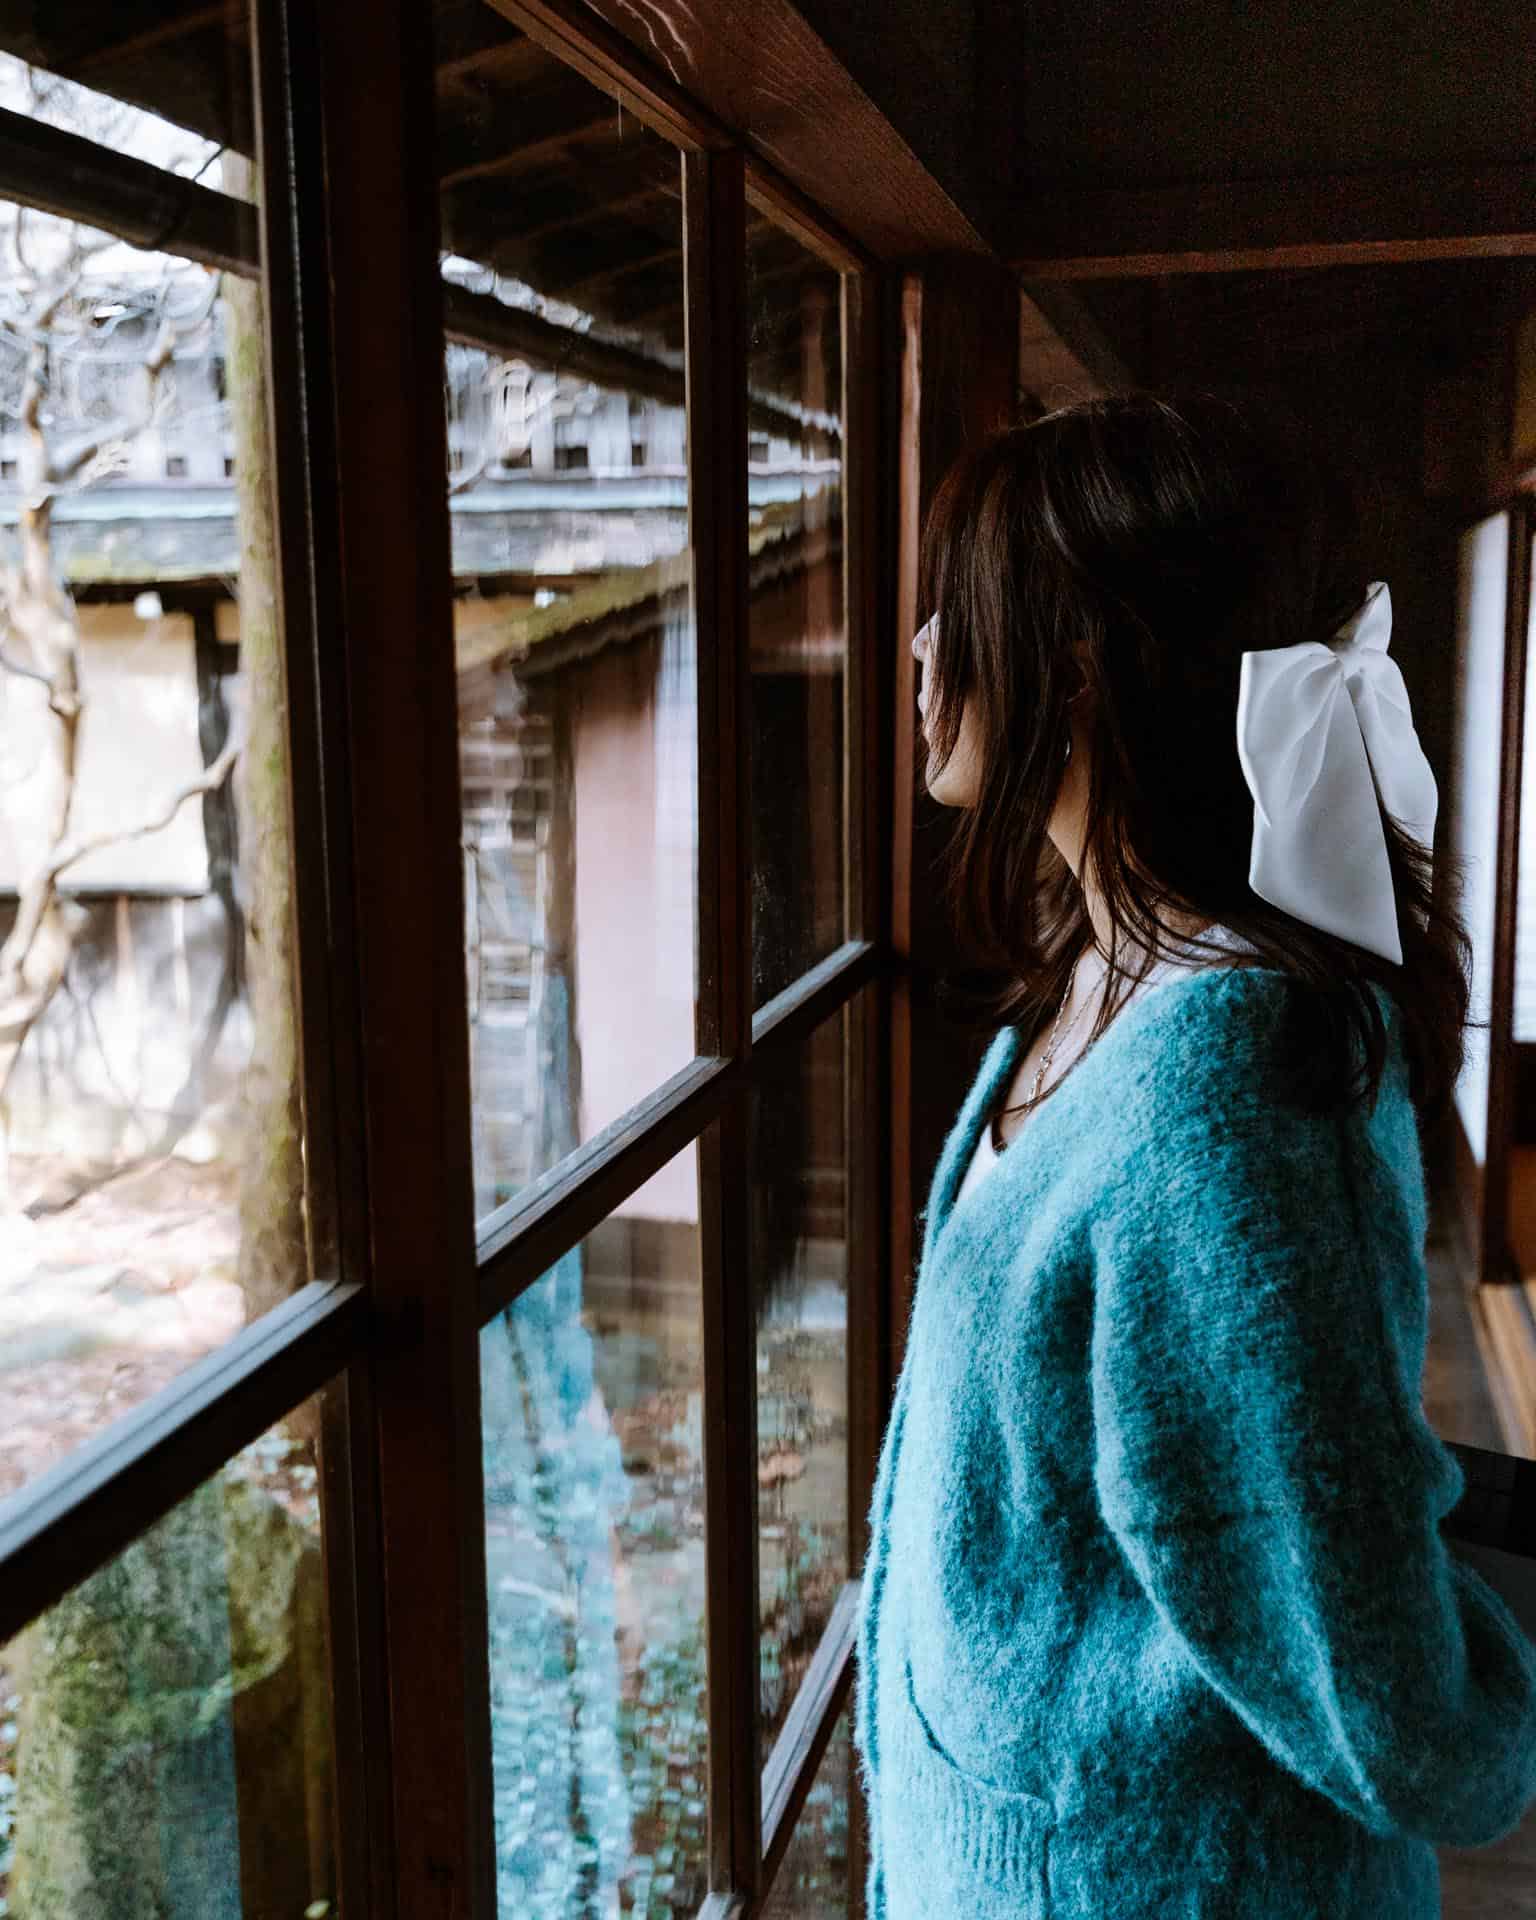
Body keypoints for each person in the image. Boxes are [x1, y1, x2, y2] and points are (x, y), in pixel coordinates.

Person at [852, 391, 1536, 1919]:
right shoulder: (1106, 976)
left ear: (1076, 667)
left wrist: (1492, 1707)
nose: (916, 655)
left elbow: (1371, 1660)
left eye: (953, 611)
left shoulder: (1216, 1101)